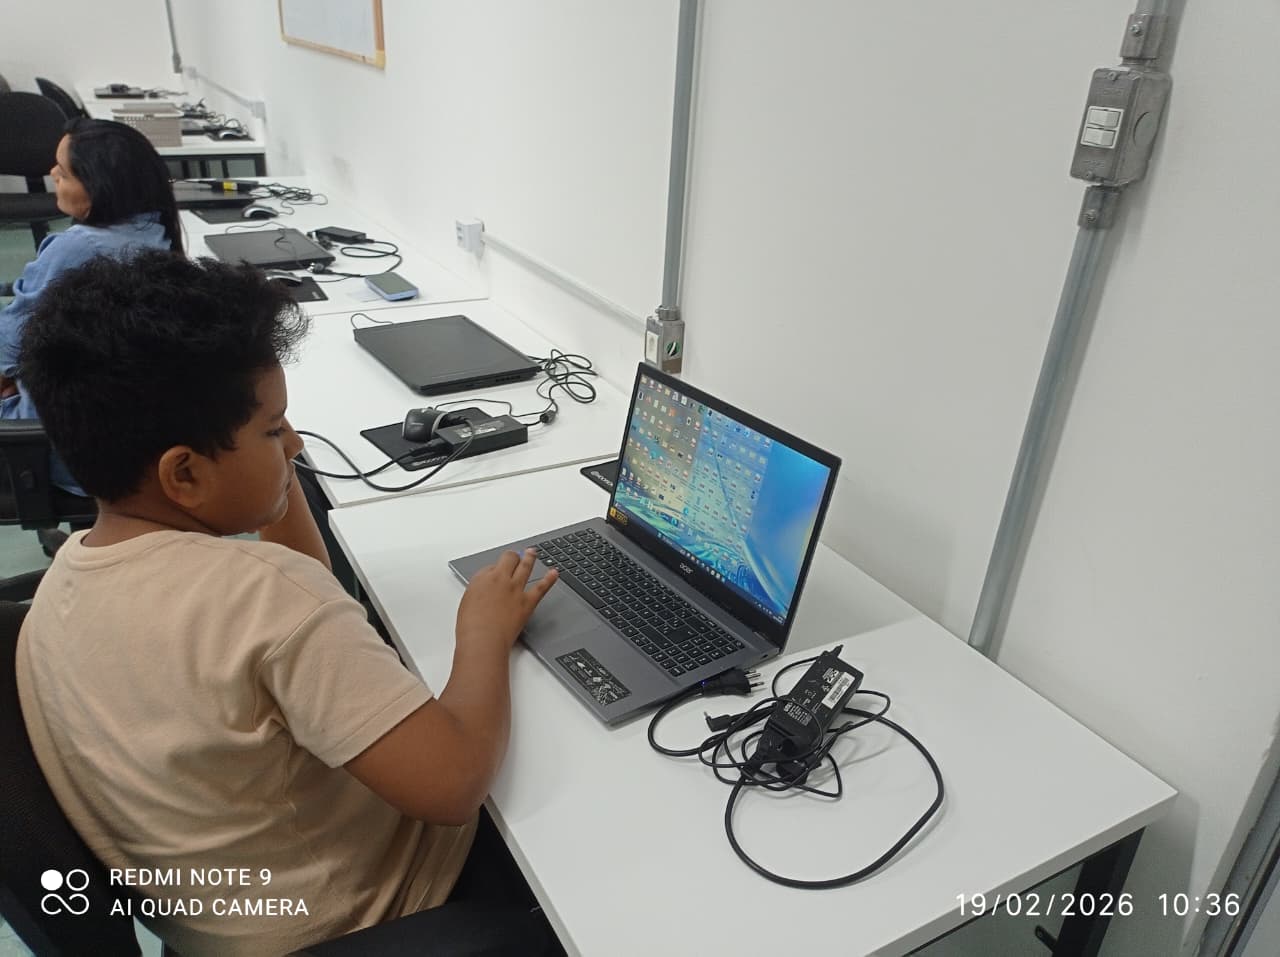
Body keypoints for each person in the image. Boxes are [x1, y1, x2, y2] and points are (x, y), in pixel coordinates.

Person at [14, 251, 559, 957]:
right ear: (184, 474)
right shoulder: (262, 598)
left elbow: (304, 584)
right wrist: (482, 633)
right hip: (372, 914)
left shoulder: (63, 582)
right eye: (275, 431)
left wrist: (268, 466)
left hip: (231, 917)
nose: (297, 444)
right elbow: (453, 785)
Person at [0, 117, 182, 493]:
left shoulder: (77, 248)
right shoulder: (156, 229)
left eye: (64, 172)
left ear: (99, 188)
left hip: (52, 445)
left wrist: (11, 382)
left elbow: (10, 347)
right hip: (119, 440)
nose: (52, 174)